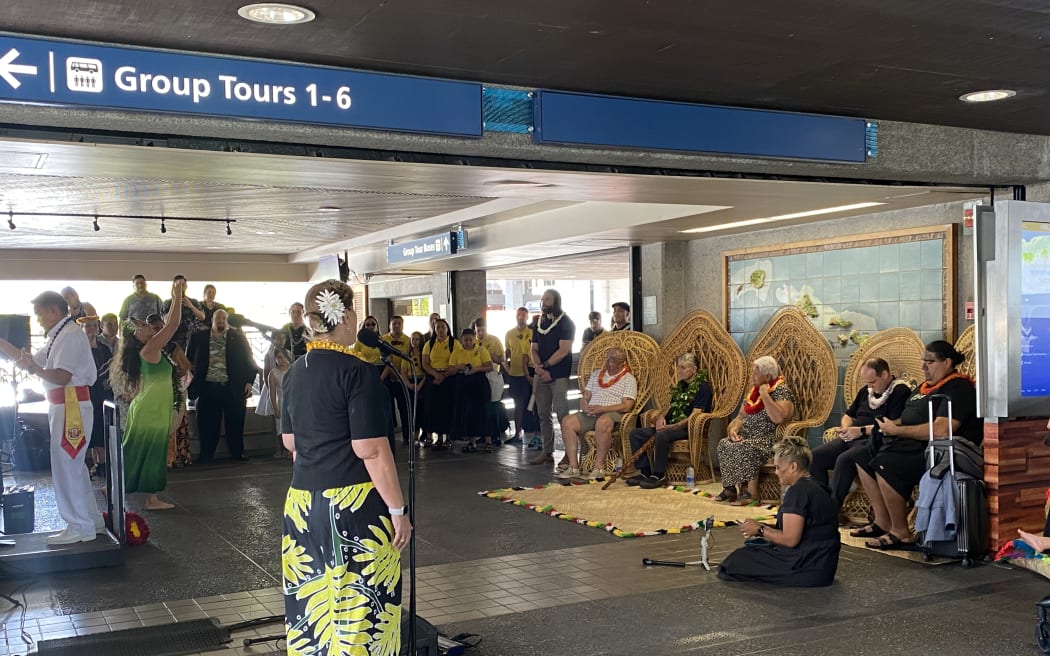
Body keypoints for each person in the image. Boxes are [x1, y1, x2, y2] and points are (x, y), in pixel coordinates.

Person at [280, 279, 410, 655]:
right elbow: (370, 449)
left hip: (302, 504)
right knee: (361, 609)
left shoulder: (295, 372)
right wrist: (398, 511)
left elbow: (290, 443)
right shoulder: (358, 372)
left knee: (312, 606)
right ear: (348, 316)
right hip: (353, 506)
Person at [855, 341, 979, 549]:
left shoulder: (958, 387)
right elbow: (906, 418)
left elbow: (942, 430)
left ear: (947, 362)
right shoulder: (922, 388)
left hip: (939, 452)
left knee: (886, 463)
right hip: (908, 443)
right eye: (923, 362)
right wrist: (884, 426)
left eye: (929, 362)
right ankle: (883, 521)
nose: (924, 367)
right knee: (860, 456)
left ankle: (900, 531)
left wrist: (897, 431)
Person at [0, 291, 100, 544]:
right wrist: (3, 343)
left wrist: (33, 368)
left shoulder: (68, 336)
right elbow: (31, 361)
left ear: (54, 311)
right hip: (66, 404)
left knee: (66, 466)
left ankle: (79, 525)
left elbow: (60, 376)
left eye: (41, 313)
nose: (38, 318)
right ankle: (91, 520)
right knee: (73, 467)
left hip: (71, 405)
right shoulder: (59, 335)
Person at [718, 437, 841, 587]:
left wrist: (760, 530)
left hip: (805, 565)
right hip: (824, 565)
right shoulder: (816, 486)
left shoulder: (798, 491)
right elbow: (803, 527)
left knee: (735, 561)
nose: (776, 472)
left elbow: (790, 539)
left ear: (793, 467)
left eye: (778, 467)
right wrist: (762, 527)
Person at [110, 279, 185, 510]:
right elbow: (172, 325)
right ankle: (150, 499)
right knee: (150, 452)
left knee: (136, 449)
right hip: (151, 411)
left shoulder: (151, 348)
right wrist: (177, 293)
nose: (147, 326)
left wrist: (174, 297)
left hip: (149, 408)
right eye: (143, 326)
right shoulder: (149, 349)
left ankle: (116, 487)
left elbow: (167, 324)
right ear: (138, 336)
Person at [810, 357, 911, 510]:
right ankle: (820, 505)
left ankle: (832, 509)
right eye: (867, 382)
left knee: (845, 460)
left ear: (885, 375)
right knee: (816, 456)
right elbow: (848, 415)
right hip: (852, 435)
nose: (869, 386)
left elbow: (893, 424)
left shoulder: (899, 391)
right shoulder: (866, 391)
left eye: (873, 382)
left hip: (874, 439)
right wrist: (846, 428)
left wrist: (861, 431)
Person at [716, 356, 796, 505]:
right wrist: (734, 430)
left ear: (767, 376)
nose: (751, 376)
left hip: (768, 438)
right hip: (747, 435)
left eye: (755, 373)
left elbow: (779, 418)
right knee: (723, 443)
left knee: (747, 446)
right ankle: (729, 488)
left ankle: (751, 494)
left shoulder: (781, 391)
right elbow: (740, 416)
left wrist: (765, 395)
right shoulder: (753, 393)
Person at [626, 352, 714, 488]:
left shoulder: (703, 387)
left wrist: (672, 427)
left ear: (694, 369)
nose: (679, 371)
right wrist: (660, 418)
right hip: (671, 426)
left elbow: (695, 416)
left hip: (688, 429)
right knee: (636, 434)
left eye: (683, 367)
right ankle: (645, 471)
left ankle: (658, 475)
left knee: (662, 434)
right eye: (678, 367)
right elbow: (670, 408)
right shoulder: (681, 386)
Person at [187, 309, 258, 463]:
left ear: (226, 321)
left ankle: (237, 453)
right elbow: (188, 360)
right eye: (218, 317)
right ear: (212, 319)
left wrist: (249, 381)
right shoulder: (199, 337)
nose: (220, 320)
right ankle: (206, 455)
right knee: (207, 423)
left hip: (232, 387)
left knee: (236, 421)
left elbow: (250, 361)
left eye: (223, 318)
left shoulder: (238, 338)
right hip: (207, 387)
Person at [557, 347, 637, 480]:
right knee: (567, 421)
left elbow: (627, 406)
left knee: (602, 422)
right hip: (591, 412)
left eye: (611, 360)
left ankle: (598, 467)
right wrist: (585, 406)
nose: (607, 362)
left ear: (621, 364)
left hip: (612, 413)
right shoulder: (596, 374)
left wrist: (603, 409)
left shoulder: (628, 379)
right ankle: (573, 466)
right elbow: (586, 396)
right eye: (607, 358)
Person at [530, 288, 575, 466]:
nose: (543, 303)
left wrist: (546, 366)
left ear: (555, 302)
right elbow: (533, 349)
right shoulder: (538, 323)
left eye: (547, 300)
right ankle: (547, 451)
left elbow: (564, 350)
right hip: (541, 373)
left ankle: (568, 454)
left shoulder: (566, 323)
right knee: (542, 413)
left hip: (559, 374)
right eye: (542, 300)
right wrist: (539, 368)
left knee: (562, 413)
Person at [447, 328, 495, 452]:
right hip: (464, 384)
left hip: (479, 384)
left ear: (474, 339)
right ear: (461, 340)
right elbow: (450, 370)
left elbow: (489, 366)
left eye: (470, 340)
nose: (468, 342)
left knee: (484, 411)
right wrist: (459, 367)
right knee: (468, 412)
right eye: (465, 340)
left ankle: (488, 440)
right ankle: (471, 441)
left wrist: (477, 369)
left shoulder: (481, 350)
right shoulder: (457, 352)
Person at [79, 314, 113, 479]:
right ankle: (88, 462)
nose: (91, 329)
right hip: (86, 392)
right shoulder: (79, 349)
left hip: (103, 392)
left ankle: (102, 462)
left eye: (94, 326)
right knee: (88, 426)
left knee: (101, 426)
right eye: (88, 326)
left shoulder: (104, 348)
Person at [422, 319, 458, 449]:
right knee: (434, 408)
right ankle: (438, 437)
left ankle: (448, 437)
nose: (440, 330)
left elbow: (456, 362)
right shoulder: (429, 344)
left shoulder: (454, 343)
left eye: (443, 327)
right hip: (433, 377)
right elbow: (425, 363)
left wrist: (444, 376)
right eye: (438, 327)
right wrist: (435, 375)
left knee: (448, 407)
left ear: (447, 328)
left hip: (449, 378)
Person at [504, 307, 534, 445]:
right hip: (515, 374)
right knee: (518, 403)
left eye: (523, 315)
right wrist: (507, 368)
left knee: (531, 404)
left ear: (527, 317)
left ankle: (533, 434)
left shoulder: (532, 333)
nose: (521, 317)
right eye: (518, 315)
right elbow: (507, 353)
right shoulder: (509, 334)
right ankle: (517, 433)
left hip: (529, 373)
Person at [382, 316, 412, 445]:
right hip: (387, 377)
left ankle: (407, 437)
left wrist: (402, 374)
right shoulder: (383, 340)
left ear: (403, 325)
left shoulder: (407, 340)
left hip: (402, 378)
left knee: (404, 409)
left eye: (399, 323)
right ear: (390, 325)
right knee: (387, 409)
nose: (396, 326)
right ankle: (388, 438)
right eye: (394, 323)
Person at [397, 331, 427, 445]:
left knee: (422, 410)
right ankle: (412, 436)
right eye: (413, 339)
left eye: (417, 339)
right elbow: (403, 373)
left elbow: (426, 370)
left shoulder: (423, 354)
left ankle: (423, 434)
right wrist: (410, 385)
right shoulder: (407, 355)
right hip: (410, 382)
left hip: (422, 382)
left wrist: (420, 385)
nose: (415, 342)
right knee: (412, 410)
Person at [162, 278, 206, 349]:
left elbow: (202, 317)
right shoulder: (167, 303)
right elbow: (166, 321)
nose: (180, 287)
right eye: (178, 285)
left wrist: (191, 306)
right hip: (173, 339)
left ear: (186, 286)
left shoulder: (193, 301)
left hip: (191, 338)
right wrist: (175, 301)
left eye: (182, 285)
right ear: (174, 286)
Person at [267, 346, 291, 458]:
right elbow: (272, 392)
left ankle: (290, 449)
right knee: (279, 427)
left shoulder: (293, 370)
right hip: (281, 401)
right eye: (279, 358)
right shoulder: (273, 373)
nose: (282, 360)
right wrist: (275, 407)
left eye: (284, 357)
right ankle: (279, 449)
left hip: (292, 401)